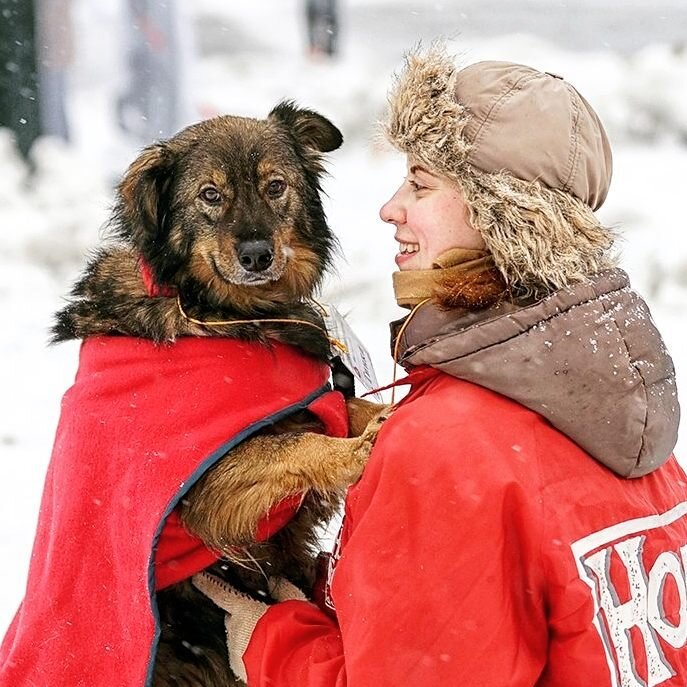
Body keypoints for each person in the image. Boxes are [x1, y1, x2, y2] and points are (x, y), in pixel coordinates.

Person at [193, 47, 686, 686]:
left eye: (421, 183)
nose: (390, 207)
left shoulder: (444, 449)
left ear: (498, 214)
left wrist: (274, 642)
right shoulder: (620, 405)